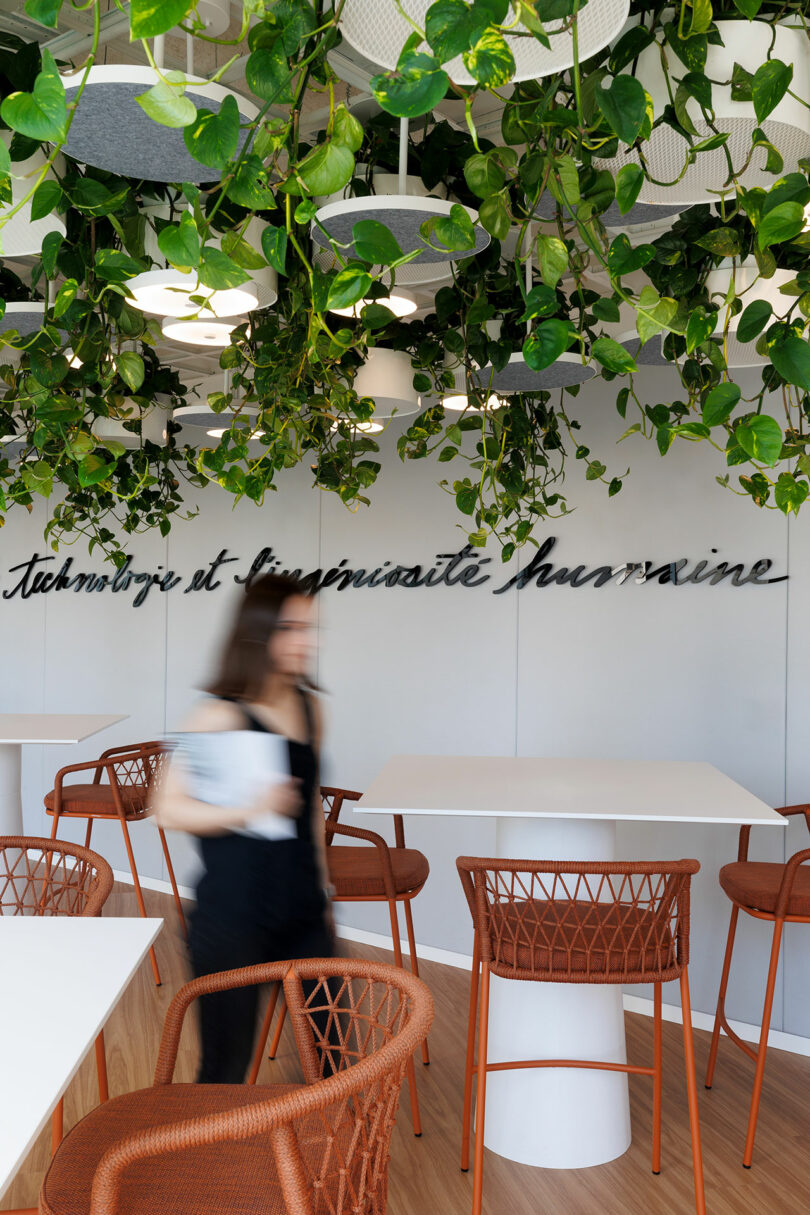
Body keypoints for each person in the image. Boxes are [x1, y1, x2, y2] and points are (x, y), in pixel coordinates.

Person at [154, 574, 334, 1083]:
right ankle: (211, 1162)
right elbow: (167, 809)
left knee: (333, 1056)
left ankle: (338, 1162)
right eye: (293, 628)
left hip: (302, 912)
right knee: (225, 1070)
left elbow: (310, 809)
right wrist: (250, 808)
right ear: (258, 634)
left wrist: (324, 889)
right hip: (230, 917)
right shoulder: (217, 715)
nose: (309, 641)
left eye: (311, 628)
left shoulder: (309, 706)